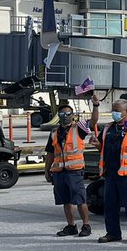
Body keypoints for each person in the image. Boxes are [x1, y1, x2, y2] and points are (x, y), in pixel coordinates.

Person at [89, 98, 127, 244]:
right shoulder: (108, 128)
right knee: (110, 205)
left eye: (117, 111)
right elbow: (101, 147)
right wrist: (96, 144)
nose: (114, 113)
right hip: (110, 172)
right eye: (113, 110)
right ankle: (112, 233)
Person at [44, 101, 91, 238]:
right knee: (65, 200)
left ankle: (86, 225)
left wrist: (95, 106)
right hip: (59, 171)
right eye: (62, 114)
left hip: (74, 170)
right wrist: (47, 170)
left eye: (68, 114)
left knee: (80, 199)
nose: (65, 116)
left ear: (73, 115)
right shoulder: (54, 132)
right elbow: (50, 153)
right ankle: (71, 226)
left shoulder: (79, 129)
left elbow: (93, 120)